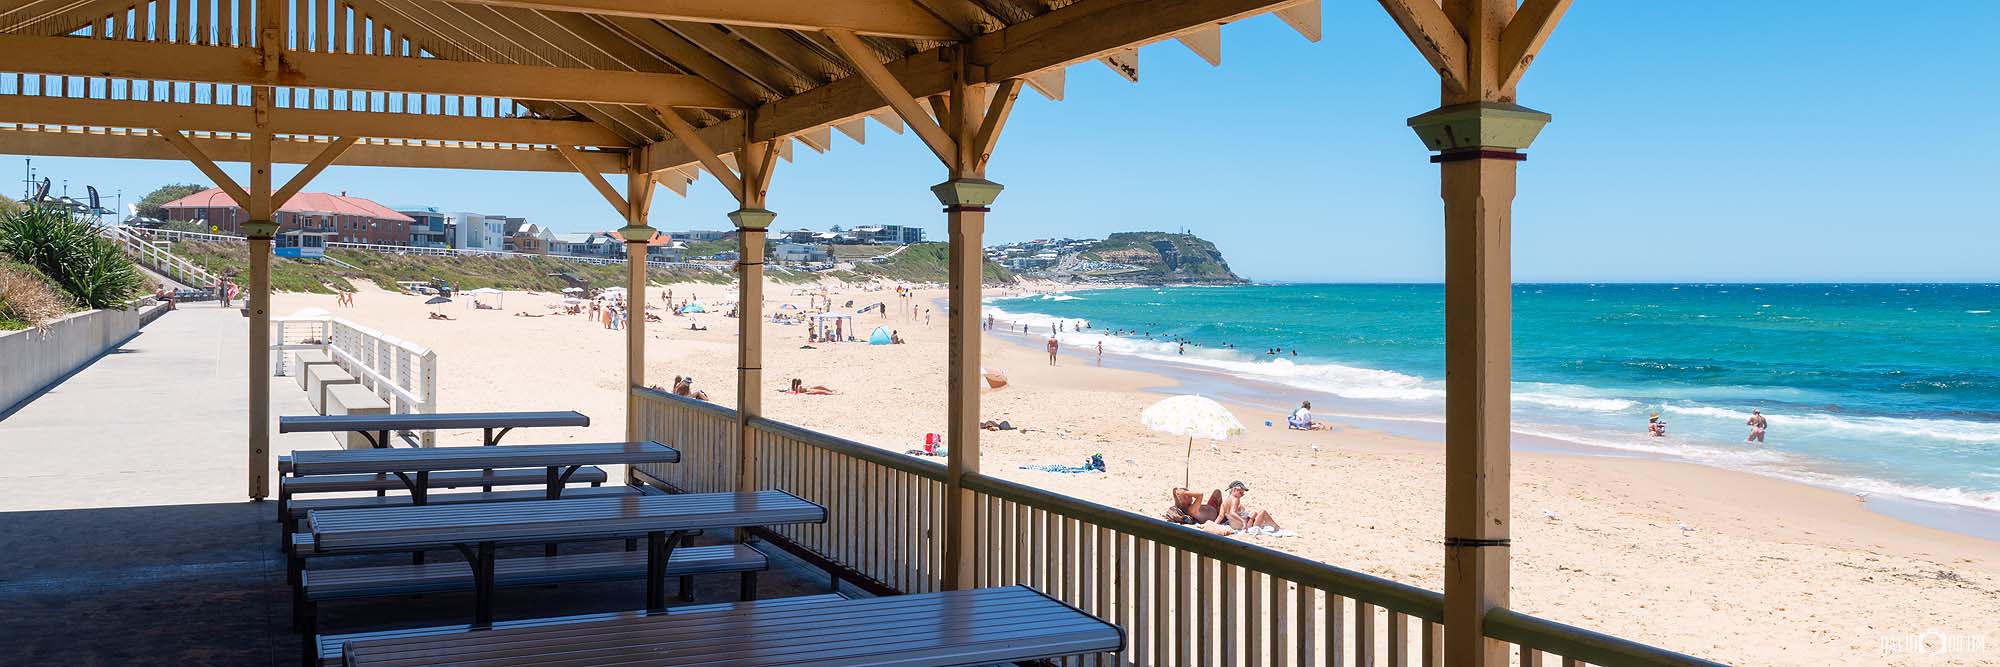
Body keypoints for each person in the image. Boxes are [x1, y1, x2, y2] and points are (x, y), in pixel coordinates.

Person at [1217, 481, 1289, 535]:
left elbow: (1220, 516)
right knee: (1263, 512)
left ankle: (1272, 525)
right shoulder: (1236, 499)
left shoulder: (1224, 502)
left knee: (1254, 513)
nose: (1242, 495)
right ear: (1234, 490)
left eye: (1243, 494)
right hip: (1243, 526)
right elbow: (1232, 513)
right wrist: (1243, 522)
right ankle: (1276, 527)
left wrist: (1214, 525)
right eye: (1240, 493)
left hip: (1233, 526)